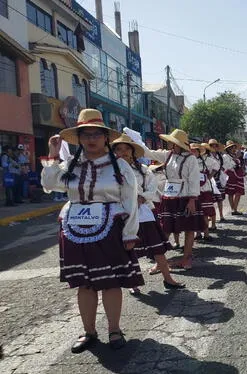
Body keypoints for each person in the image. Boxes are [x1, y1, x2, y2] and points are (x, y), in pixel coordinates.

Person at [40, 109, 143, 352]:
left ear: (106, 137)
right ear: (79, 138)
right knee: (84, 283)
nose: (91, 139)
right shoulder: (70, 165)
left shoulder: (119, 166)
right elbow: (48, 184)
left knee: (110, 281)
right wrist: (52, 155)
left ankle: (114, 330)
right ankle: (89, 332)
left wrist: (130, 232)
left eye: (97, 134)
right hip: (74, 227)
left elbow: (130, 200)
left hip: (109, 228)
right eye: (86, 134)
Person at [110, 134, 185, 292]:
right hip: (122, 215)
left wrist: (142, 198)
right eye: (118, 149)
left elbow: (152, 188)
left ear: (132, 151)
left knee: (157, 249)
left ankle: (168, 279)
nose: (123, 152)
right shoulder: (109, 171)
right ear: (114, 152)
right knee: (129, 251)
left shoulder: (143, 170)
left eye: (126, 149)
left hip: (144, 214)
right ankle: (133, 283)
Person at [144, 129, 205, 270]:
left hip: (186, 197)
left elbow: (194, 181)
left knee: (189, 229)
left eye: (172, 142)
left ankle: (186, 259)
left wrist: (192, 200)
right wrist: (134, 140)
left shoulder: (191, 159)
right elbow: (149, 152)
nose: (170, 144)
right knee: (166, 228)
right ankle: (160, 261)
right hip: (170, 197)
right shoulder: (168, 155)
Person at [223, 141, 245, 215]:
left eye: (234, 147)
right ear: (228, 149)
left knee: (238, 192)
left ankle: (234, 208)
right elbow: (228, 166)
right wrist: (236, 158)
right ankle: (233, 209)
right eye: (232, 147)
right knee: (231, 193)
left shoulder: (235, 155)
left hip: (238, 176)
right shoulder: (225, 156)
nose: (234, 149)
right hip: (231, 175)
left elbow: (239, 164)